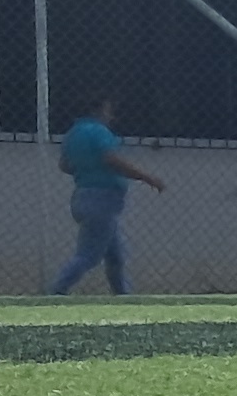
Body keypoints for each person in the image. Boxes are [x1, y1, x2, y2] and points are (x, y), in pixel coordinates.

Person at [44, 94, 165, 295]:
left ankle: (122, 294)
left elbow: (65, 165)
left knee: (115, 255)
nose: (111, 116)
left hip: (82, 196)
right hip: (103, 199)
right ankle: (56, 290)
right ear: (97, 110)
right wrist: (147, 178)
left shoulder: (73, 133)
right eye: (108, 110)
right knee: (88, 255)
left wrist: (87, 170)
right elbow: (112, 159)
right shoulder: (99, 132)